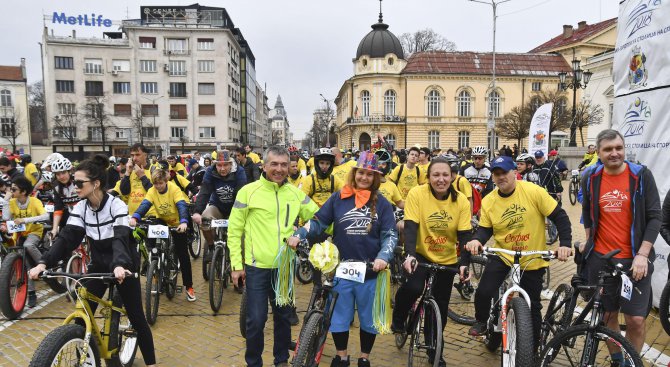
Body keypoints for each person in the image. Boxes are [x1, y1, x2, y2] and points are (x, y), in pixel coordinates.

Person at [29, 155, 157, 367]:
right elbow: (67, 237)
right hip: (98, 265)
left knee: (137, 318)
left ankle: (152, 363)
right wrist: (44, 262)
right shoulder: (81, 208)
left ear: (96, 183)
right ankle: (86, 355)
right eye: (74, 181)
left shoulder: (116, 205)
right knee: (81, 313)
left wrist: (119, 265)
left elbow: (120, 239)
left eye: (79, 183)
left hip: (124, 264)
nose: (75, 186)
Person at [289, 150, 396, 367]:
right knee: (338, 318)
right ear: (354, 173)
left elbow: (390, 234)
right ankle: (342, 355)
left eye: (369, 174)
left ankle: (364, 358)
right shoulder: (339, 197)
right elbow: (318, 221)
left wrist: (384, 256)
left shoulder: (382, 203)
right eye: (361, 173)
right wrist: (299, 234)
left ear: (376, 177)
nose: (364, 178)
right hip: (341, 269)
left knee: (368, 320)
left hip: (370, 271)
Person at [465, 156, 572, 352]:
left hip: (531, 256)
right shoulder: (489, 200)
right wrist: (476, 240)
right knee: (484, 291)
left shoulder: (533, 192)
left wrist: (565, 244)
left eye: (504, 172)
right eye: (496, 174)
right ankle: (481, 321)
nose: (500, 177)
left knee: (532, 306)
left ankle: (533, 347)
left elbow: (560, 216)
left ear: (515, 173)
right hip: (504, 254)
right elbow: (485, 229)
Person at [229, 146, 319, 367]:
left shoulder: (295, 193)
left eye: (283, 165)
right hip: (257, 267)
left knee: (283, 318)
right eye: (274, 164)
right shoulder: (248, 192)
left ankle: (281, 360)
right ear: (264, 166)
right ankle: (254, 362)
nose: (279, 169)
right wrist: (236, 265)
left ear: (290, 166)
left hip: (285, 268)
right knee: (256, 321)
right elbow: (234, 230)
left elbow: (319, 217)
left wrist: (305, 231)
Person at [580, 129, 661, 357]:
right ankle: (617, 360)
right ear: (598, 152)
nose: (614, 153)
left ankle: (632, 361)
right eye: (608, 149)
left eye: (618, 148)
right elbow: (587, 210)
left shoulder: (641, 175)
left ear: (624, 148)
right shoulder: (591, 177)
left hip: (635, 260)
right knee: (608, 316)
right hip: (602, 259)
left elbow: (655, 216)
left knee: (635, 320)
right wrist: (588, 240)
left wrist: (643, 255)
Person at [392, 157, 473, 367]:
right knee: (414, 287)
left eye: (445, 175)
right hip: (420, 254)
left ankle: (434, 348)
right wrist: (409, 255)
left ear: (452, 177)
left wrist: (464, 263)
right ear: (428, 177)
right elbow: (410, 228)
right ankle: (399, 317)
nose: (441, 179)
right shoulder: (418, 194)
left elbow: (465, 236)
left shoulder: (461, 201)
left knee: (440, 308)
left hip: (447, 259)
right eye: (436, 175)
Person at [130, 169, 196, 302]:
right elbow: (145, 204)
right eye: (155, 184)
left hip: (178, 223)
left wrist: (184, 222)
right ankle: (156, 267)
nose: (158, 186)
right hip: (162, 220)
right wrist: (135, 217)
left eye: (160, 183)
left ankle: (189, 287)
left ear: (166, 181)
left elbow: (182, 206)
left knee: (183, 255)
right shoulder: (152, 191)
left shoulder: (174, 189)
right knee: (153, 244)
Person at [191, 150, 247, 265]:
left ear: (230, 164)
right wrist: (197, 212)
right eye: (219, 165)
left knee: (242, 241)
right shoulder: (210, 171)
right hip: (217, 206)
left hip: (235, 208)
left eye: (225, 165)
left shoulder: (239, 172)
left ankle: (240, 267)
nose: (222, 169)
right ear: (215, 164)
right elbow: (205, 191)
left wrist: (236, 217)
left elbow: (241, 194)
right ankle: (211, 247)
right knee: (205, 220)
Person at [1, 177, 48, 307]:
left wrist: (26, 220)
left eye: (14, 189)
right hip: (20, 235)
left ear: (23, 191)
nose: (11, 191)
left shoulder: (34, 201)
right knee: (25, 264)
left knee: (28, 245)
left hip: (34, 232)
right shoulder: (11, 202)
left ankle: (45, 263)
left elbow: (46, 216)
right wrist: (6, 200)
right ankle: (32, 293)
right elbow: (6, 218)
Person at [50, 157, 83, 239]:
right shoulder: (56, 187)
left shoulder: (79, 182)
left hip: (85, 215)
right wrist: (54, 229)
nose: (61, 176)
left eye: (63, 172)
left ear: (70, 171)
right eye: (58, 174)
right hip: (69, 216)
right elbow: (58, 209)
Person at [117, 144, 154, 215]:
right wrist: (127, 173)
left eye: (137, 155)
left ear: (145, 155)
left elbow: (156, 193)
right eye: (132, 155)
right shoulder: (130, 170)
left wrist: (142, 177)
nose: (134, 158)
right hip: (133, 215)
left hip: (149, 215)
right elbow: (124, 192)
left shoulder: (153, 170)